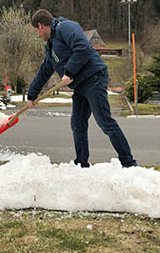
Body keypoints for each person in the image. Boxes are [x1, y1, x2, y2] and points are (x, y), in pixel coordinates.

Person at [27, 9, 137, 168]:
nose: (37, 35)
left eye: (36, 31)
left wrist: (69, 71)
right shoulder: (51, 47)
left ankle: (129, 164)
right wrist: (32, 95)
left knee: (104, 120)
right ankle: (81, 164)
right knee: (77, 124)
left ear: (40, 25)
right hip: (80, 86)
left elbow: (82, 47)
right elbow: (44, 72)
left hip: (93, 78)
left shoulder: (66, 27)